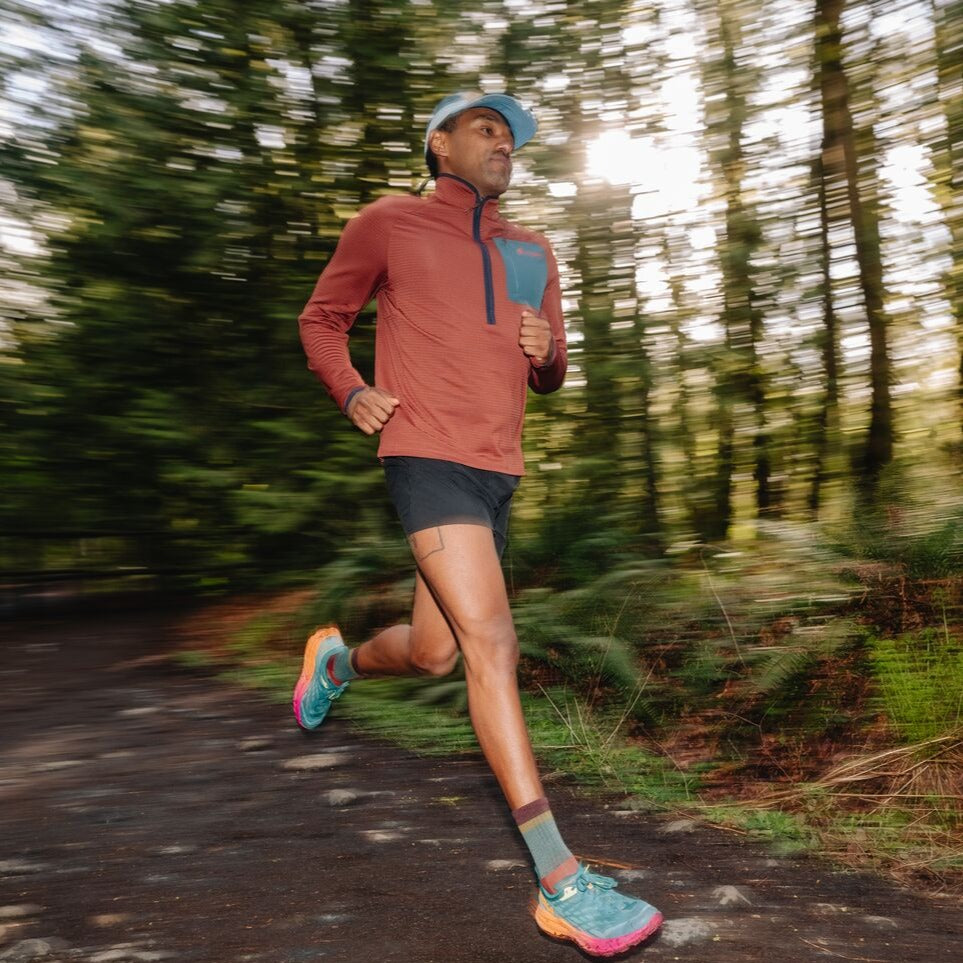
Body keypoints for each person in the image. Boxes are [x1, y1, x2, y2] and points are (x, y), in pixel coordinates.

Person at [294, 91, 662, 957]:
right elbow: (321, 320)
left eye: (511, 136)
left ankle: (338, 662)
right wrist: (351, 389)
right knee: (493, 643)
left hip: (498, 471)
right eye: (486, 129)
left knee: (436, 653)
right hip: (425, 456)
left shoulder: (532, 250)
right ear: (440, 143)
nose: (504, 144)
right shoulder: (389, 222)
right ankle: (559, 877)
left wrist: (547, 350)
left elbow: (552, 373)